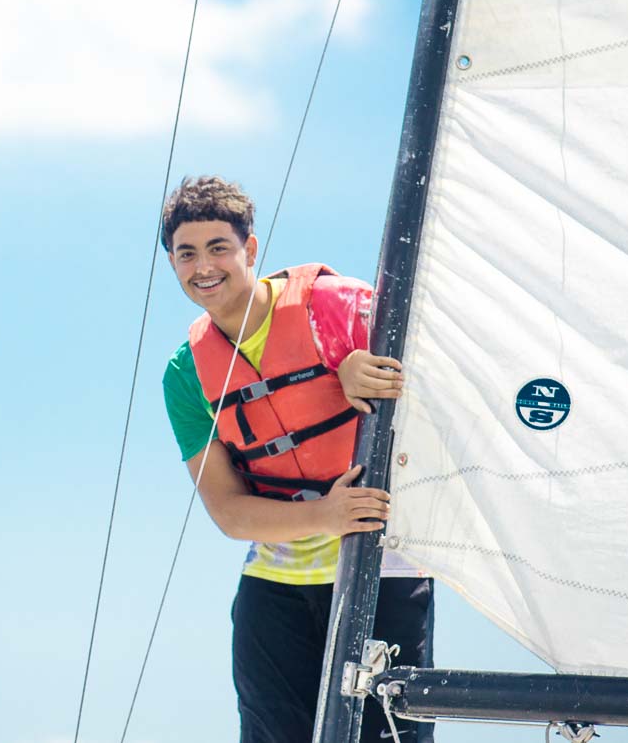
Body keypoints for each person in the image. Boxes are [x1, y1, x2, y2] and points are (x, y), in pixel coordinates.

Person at [160, 175, 433, 743]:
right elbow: (230, 513)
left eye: (218, 248)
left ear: (250, 250)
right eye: (186, 254)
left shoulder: (335, 307)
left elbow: (432, 379)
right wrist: (325, 517)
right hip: (274, 591)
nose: (203, 267)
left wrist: (359, 364)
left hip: (381, 571)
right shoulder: (186, 375)